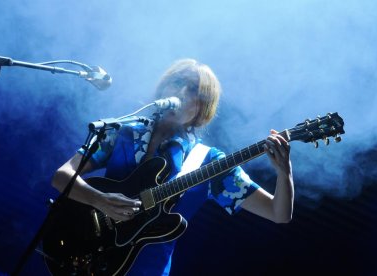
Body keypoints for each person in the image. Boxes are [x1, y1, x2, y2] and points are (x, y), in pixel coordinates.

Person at [51, 59, 294, 275]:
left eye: (193, 91)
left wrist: (284, 173)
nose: (181, 92)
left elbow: (278, 213)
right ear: (163, 88)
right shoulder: (121, 132)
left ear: (202, 108)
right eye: (177, 83)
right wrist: (99, 200)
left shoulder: (209, 161)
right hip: (88, 248)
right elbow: (62, 176)